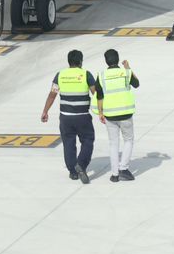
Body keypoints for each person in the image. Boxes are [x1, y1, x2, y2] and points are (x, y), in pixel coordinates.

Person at [41, 49, 102, 183]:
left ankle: (73, 172)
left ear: (69, 62)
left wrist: (45, 111)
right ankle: (81, 164)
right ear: (80, 61)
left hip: (65, 117)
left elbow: (52, 94)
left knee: (68, 143)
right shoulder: (86, 74)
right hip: (82, 117)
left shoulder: (60, 75)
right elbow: (95, 93)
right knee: (87, 140)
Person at [98, 49, 141, 183]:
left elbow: (99, 95)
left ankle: (115, 174)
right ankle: (124, 168)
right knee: (128, 140)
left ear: (106, 61)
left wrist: (100, 112)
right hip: (125, 113)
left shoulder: (101, 75)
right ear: (118, 59)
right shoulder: (125, 72)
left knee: (113, 144)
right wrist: (128, 68)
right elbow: (136, 84)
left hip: (110, 114)